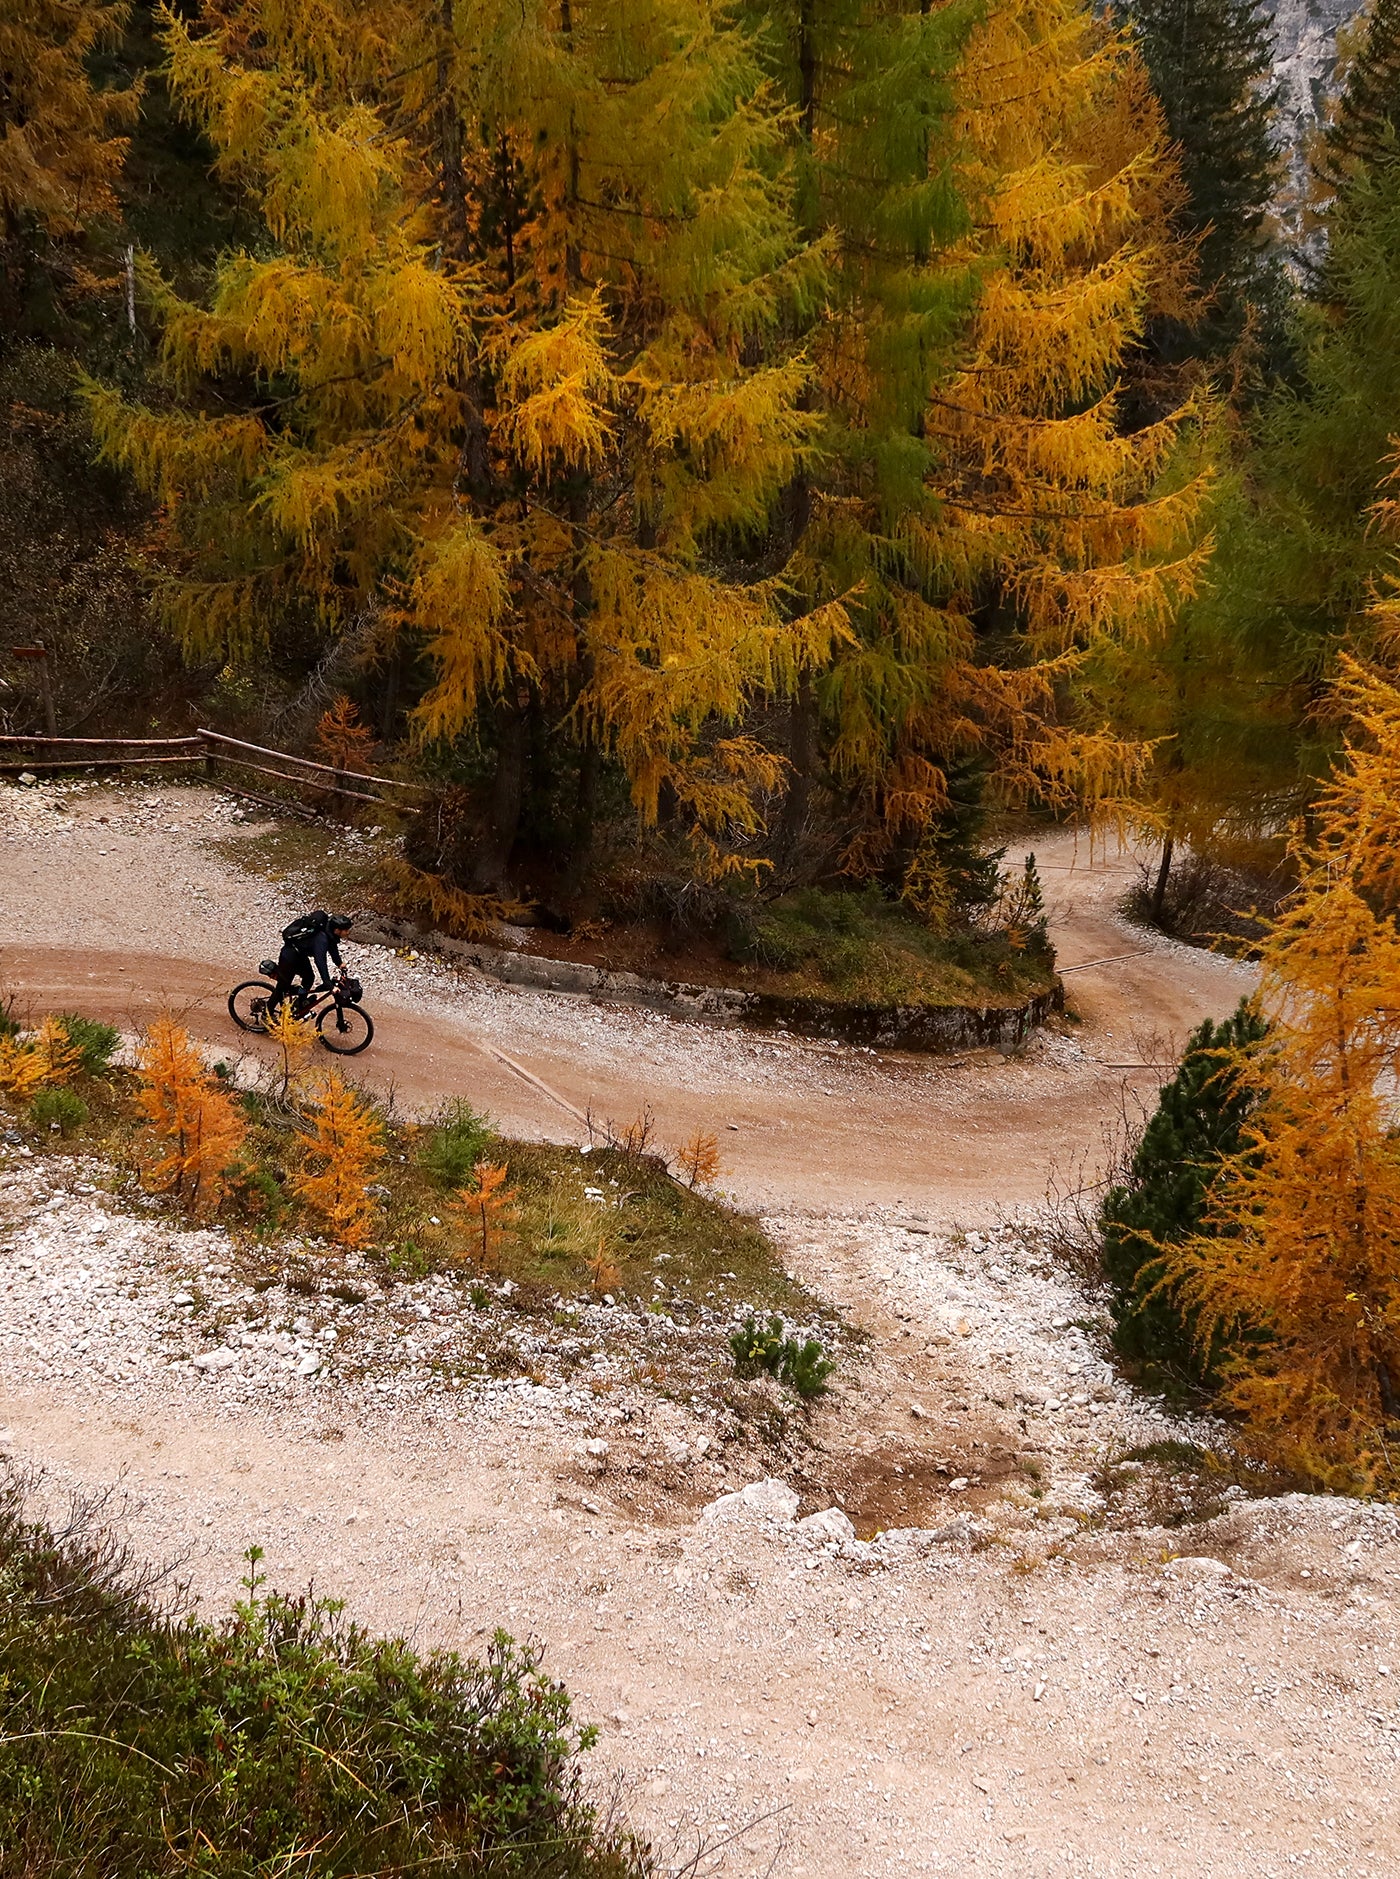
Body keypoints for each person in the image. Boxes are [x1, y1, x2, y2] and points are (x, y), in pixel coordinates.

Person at [267, 910, 354, 1016]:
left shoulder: (329, 933)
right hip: (289, 956)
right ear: (337, 930)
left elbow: (333, 949)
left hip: (300, 955)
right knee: (282, 987)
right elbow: (320, 962)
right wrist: (328, 984)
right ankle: (266, 1013)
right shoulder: (321, 939)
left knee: (309, 978)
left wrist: (339, 963)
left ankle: (299, 1004)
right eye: (346, 930)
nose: (348, 932)